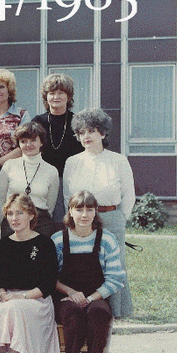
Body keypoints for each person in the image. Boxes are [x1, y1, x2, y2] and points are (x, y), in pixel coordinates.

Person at [0, 194, 61, 353]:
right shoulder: (3, 244)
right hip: (8, 298)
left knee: (16, 308)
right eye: (10, 213)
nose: (14, 218)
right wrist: (2, 294)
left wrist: (22, 296)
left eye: (20, 213)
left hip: (37, 301)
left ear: (31, 215)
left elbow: (48, 284)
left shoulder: (44, 244)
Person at [63, 108, 135, 318]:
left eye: (91, 131)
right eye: (82, 132)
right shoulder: (72, 162)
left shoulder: (118, 160)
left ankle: (116, 312)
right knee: (87, 262)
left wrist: (120, 218)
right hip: (82, 220)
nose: (86, 136)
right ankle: (85, 307)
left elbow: (129, 194)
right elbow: (68, 196)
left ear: (102, 133)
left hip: (110, 218)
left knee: (114, 264)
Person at [52, 191, 126, 353]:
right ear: (70, 211)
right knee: (73, 313)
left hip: (96, 296)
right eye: (79, 210)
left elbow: (116, 278)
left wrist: (91, 298)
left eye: (89, 210)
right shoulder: (58, 240)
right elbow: (49, 278)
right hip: (67, 297)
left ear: (95, 212)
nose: (84, 215)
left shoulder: (106, 239)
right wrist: (70, 292)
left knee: (98, 313)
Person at [32, 74, 83, 228]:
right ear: (46, 97)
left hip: (71, 181)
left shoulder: (78, 122)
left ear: (69, 96)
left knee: (65, 223)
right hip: (43, 180)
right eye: (52, 93)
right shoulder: (38, 121)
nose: (56, 97)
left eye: (61, 93)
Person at [0, 122, 59, 237]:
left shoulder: (52, 171)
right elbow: (0, 199)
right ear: (19, 144)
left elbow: (50, 206)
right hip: (12, 222)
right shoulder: (9, 166)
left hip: (41, 224)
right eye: (23, 141)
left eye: (33, 140)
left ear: (41, 142)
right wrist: (5, 222)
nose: (28, 145)